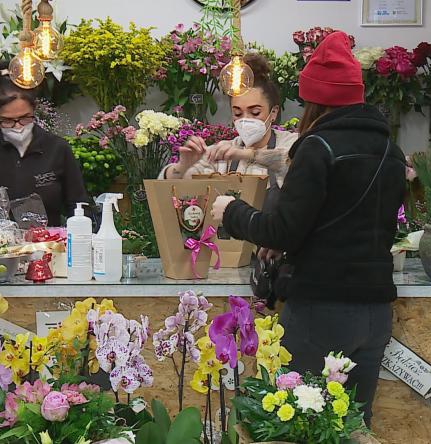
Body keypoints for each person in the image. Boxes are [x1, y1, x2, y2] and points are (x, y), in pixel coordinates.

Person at [210, 32, 406, 424]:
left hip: (321, 308)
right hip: (375, 312)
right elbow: (348, 223)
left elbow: (283, 231)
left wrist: (232, 211)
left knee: (298, 424)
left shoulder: (318, 147)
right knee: (352, 425)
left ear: (314, 100)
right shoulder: (391, 151)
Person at [0, 62, 88, 233]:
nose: (18, 127)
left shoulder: (57, 148)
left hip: (45, 245)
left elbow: (80, 207)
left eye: (25, 118)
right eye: (8, 121)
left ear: (35, 109)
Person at [160, 53, 298, 216]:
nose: (245, 120)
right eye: (238, 113)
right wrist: (182, 166)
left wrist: (244, 154)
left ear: (273, 112)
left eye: (255, 112)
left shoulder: (291, 142)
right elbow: (175, 189)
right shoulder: (223, 151)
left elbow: (289, 162)